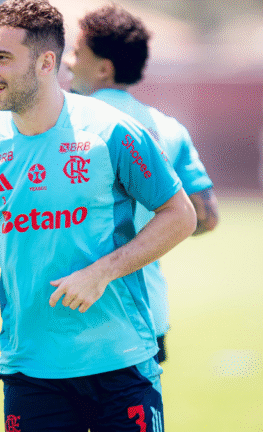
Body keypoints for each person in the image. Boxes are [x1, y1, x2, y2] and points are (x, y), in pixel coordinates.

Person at [0, 0, 197, 430]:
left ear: (46, 62)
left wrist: (101, 272)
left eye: (2, 58)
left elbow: (181, 215)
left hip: (121, 362)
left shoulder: (113, 132)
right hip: (29, 368)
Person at [63, 4, 220, 364]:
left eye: (76, 52)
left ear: (104, 68)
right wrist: (150, 229)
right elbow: (206, 217)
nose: (68, 61)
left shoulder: (63, 127)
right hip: (145, 312)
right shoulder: (169, 129)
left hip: (72, 310)